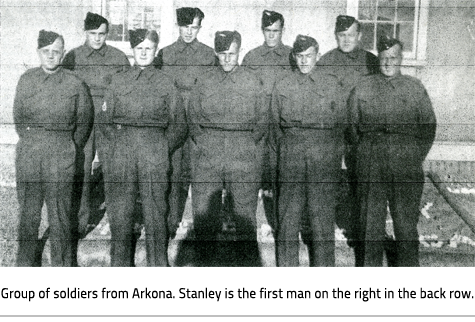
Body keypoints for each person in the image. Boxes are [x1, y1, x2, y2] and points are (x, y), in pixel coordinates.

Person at [98, 29, 186, 267]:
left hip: (154, 152)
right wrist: (115, 151)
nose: (144, 53)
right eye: (140, 49)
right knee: (121, 213)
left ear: (155, 51)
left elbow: (179, 124)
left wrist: (160, 149)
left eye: (149, 48)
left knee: (156, 212)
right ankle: (120, 267)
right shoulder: (118, 81)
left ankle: (158, 266)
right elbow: (104, 122)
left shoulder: (166, 83)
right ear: (133, 51)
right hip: (123, 152)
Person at [347, 36, 436, 266]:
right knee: (370, 224)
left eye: (393, 58)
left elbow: (428, 128)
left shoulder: (414, 88)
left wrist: (413, 156)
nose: (388, 63)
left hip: (405, 160)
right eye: (384, 58)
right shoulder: (363, 87)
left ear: (401, 59)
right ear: (379, 58)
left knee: (405, 225)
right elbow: (353, 128)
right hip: (371, 160)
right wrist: (366, 154)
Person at [14, 30, 94, 266]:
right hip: (30, 154)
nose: (50, 56)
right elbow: (18, 118)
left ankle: (62, 269)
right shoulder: (26, 79)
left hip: (61, 155)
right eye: (46, 51)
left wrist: (67, 147)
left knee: (60, 216)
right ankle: (25, 267)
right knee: (28, 215)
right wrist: (33, 142)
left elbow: (83, 123)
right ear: (39, 53)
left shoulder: (75, 84)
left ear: (62, 53)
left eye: (56, 52)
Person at [188, 31, 268, 266]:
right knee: (205, 217)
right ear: (216, 53)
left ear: (239, 52)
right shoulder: (204, 80)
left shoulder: (252, 81)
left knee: (244, 217)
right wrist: (205, 144)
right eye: (222, 54)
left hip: (242, 152)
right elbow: (193, 117)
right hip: (209, 152)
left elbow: (262, 120)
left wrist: (248, 147)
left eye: (231, 54)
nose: (227, 59)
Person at [310, 15, 380, 266]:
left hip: (360, 136)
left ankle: (359, 234)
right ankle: (322, 239)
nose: (346, 39)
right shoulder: (327, 61)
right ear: (335, 36)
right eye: (341, 35)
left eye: (351, 35)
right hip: (332, 134)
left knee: (362, 185)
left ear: (360, 36)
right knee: (326, 184)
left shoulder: (371, 62)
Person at [272, 35, 344, 267]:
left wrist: (332, 160)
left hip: (322, 157)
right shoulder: (283, 84)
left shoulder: (332, 84)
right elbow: (274, 126)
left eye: (309, 56)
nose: (304, 61)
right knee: (287, 220)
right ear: (294, 57)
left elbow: (342, 125)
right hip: (291, 156)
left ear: (318, 55)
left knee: (321, 220)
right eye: (300, 56)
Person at [62, 12, 131, 239]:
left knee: (113, 171)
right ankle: (79, 224)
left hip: (108, 121)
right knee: (80, 170)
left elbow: (126, 90)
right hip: (83, 121)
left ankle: (118, 222)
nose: (98, 38)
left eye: (102, 34)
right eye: (93, 34)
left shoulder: (118, 57)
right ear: (85, 32)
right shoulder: (73, 57)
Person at [154, 7, 216, 238]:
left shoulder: (209, 55)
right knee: (172, 171)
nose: (189, 32)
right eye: (185, 27)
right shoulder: (166, 54)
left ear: (199, 28)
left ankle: (204, 226)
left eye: (194, 27)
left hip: (199, 121)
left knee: (201, 173)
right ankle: (170, 222)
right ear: (178, 27)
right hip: (173, 120)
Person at [241, 9, 293, 233]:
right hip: (258, 123)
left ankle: (281, 223)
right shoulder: (252, 57)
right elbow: (242, 89)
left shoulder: (292, 55)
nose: (272, 35)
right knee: (253, 173)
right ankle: (250, 223)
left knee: (282, 174)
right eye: (268, 31)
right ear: (262, 31)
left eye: (276, 31)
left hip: (282, 125)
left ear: (282, 31)